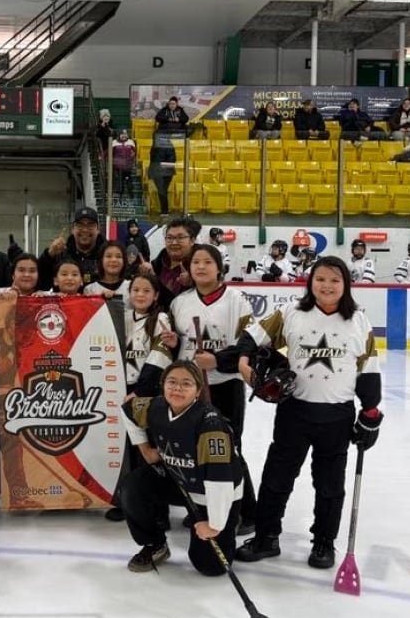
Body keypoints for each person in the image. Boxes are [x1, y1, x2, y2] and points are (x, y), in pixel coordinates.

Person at [229, 257, 382, 570]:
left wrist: (370, 414)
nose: (326, 286)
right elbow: (253, 336)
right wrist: (244, 358)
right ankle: (266, 537)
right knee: (276, 479)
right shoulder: (291, 313)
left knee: (330, 486)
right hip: (294, 412)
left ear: (346, 285)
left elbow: (368, 368)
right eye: (320, 279)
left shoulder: (358, 321)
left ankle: (324, 542)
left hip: (337, 417)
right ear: (311, 282)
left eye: (334, 281)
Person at [120, 361, 244, 575]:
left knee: (210, 567)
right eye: (172, 382)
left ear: (198, 390)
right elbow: (127, 410)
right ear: (163, 385)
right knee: (133, 487)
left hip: (212, 493)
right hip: (179, 481)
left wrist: (214, 524)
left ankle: (229, 520)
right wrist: (146, 450)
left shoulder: (210, 423)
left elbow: (220, 479)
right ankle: (155, 544)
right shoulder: (156, 407)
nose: (177, 388)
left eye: (186, 383)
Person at [171, 243, 257, 532]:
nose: (201, 267)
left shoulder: (237, 301)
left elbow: (248, 345)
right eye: (195, 262)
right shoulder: (180, 303)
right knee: (195, 448)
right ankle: (204, 507)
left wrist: (217, 361)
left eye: (208, 262)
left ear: (219, 267)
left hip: (225, 386)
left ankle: (245, 511)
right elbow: (174, 346)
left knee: (230, 448)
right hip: (189, 392)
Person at [106, 273, 174, 523]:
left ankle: (158, 512)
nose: (140, 295)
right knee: (128, 452)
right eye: (136, 290)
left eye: (146, 291)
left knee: (149, 451)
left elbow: (159, 358)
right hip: (121, 389)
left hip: (147, 392)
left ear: (156, 295)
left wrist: (140, 391)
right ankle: (130, 503)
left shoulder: (161, 320)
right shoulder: (122, 317)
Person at [37, 206, 106, 289]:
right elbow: (41, 281)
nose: (85, 230)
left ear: (98, 229)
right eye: (80, 225)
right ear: (72, 229)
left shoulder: (107, 254)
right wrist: (48, 255)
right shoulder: (60, 254)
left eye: (90, 225)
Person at [144, 216, 198, 307]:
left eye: (180, 238)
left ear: (192, 240)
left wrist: (193, 284)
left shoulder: (199, 269)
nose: (174, 243)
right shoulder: (155, 266)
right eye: (169, 238)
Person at [150, 97, 188, 215]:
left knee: (163, 190)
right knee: (162, 191)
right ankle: (164, 211)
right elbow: (152, 159)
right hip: (158, 171)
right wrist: (170, 118)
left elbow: (173, 160)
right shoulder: (154, 147)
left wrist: (177, 119)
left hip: (167, 171)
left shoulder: (170, 147)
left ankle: (165, 211)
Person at [112, 130, 137, 198]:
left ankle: (131, 194)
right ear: (119, 135)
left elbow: (135, 152)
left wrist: (133, 159)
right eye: (122, 134)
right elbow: (109, 152)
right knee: (119, 180)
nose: (124, 135)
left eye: (125, 134)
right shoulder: (114, 142)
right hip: (118, 166)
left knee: (128, 179)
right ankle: (120, 196)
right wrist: (101, 156)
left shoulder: (131, 142)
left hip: (127, 165)